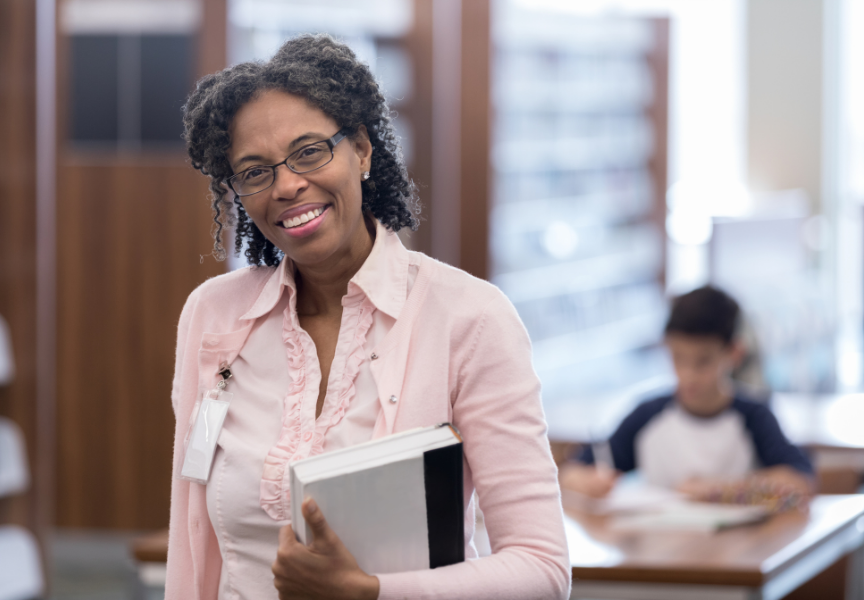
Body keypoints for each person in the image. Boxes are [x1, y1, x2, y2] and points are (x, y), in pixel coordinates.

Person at [166, 34, 570, 600]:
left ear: (362, 150)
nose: (286, 185)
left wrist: (372, 591)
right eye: (255, 172)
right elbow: (191, 540)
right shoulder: (213, 314)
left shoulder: (469, 318)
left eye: (310, 151)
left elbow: (542, 568)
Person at [559, 286, 814, 501]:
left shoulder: (754, 416)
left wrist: (716, 488)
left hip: (737, 555)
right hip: (661, 553)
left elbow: (800, 480)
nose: (688, 375)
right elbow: (571, 472)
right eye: (678, 358)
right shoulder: (649, 416)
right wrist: (586, 482)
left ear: (734, 353)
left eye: (703, 362)